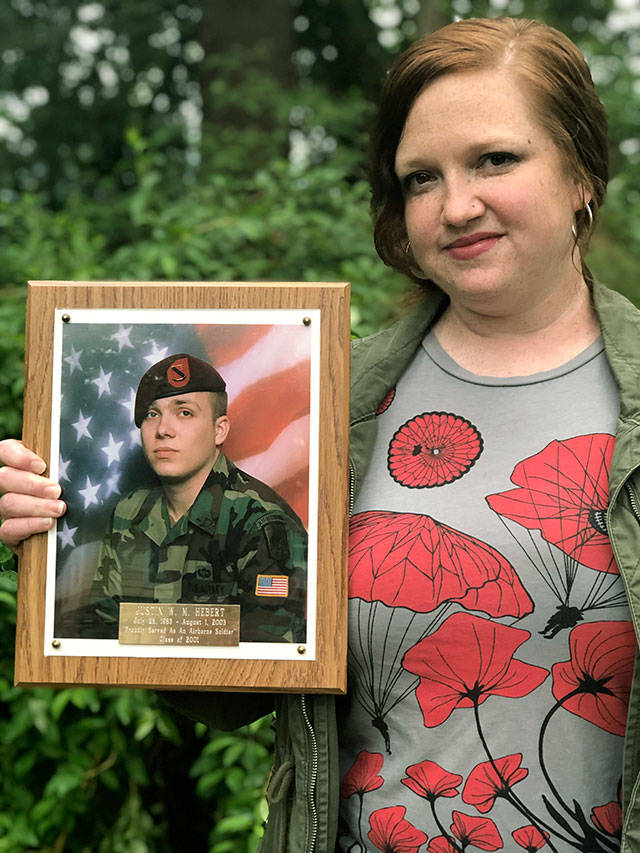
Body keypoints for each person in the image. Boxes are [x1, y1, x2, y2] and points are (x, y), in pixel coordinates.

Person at [2, 15, 640, 852]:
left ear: (582, 171)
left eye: (495, 159)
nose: (456, 205)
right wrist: (61, 540)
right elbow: (237, 680)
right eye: (420, 178)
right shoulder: (337, 399)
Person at [64, 351, 307, 642]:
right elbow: (102, 626)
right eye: (152, 414)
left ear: (219, 430)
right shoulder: (131, 511)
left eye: (185, 412)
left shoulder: (262, 522)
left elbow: (271, 646)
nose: (164, 430)